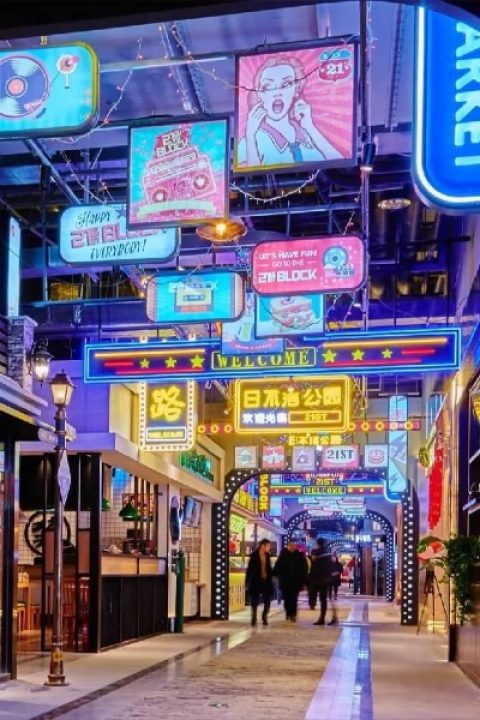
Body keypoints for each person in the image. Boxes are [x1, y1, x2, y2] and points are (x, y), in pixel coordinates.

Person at [237, 54, 342, 168]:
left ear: (296, 90)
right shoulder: (249, 140)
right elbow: (251, 181)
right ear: (259, 95)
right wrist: (250, 135)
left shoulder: (308, 135)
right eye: (268, 86)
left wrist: (309, 127)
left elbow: (342, 168)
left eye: (286, 84)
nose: (277, 92)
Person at [273, 540, 308, 622]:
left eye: (294, 545)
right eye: (291, 545)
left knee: (294, 598)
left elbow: (304, 569)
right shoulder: (282, 556)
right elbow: (277, 567)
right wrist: (275, 574)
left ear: (295, 546)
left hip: (296, 582)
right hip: (285, 581)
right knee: (287, 599)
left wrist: (303, 581)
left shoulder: (299, 556)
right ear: (288, 546)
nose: (292, 547)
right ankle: (288, 613)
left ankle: (293, 614)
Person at [246, 538, 274, 627]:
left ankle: (264, 617)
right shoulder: (254, 555)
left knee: (267, 601)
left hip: (266, 581)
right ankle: (253, 618)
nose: (269, 547)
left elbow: (269, 568)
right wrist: (247, 580)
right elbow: (249, 569)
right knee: (254, 601)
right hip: (256, 581)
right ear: (263, 546)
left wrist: (272, 577)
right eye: (268, 546)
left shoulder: (268, 556)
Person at [309, 538, 335, 626]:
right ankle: (327, 617)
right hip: (327, 578)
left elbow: (314, 564)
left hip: (319, 579)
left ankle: (322, 618)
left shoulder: (316, 552)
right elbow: (331, 565)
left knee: (321, 598)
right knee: (325, 599)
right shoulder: (327, 553)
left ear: (318, 543)